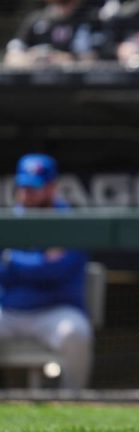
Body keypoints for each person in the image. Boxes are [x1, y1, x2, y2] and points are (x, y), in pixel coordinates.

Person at [0, 154, 91, 390]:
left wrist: (13, 260)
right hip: (9, 312)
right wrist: (40, 262)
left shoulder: (71, 221)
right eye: (23, 187)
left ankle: (72, 403)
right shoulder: (10, 218)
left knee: (76, 333)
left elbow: (58, 270)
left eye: (34, 187)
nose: (26, 194)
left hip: (55, 313)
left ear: (52, 187)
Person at [4, 0, 102, 67]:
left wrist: (62, 59)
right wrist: (34, 58)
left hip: (73, 86)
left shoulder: (87, 20)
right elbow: (11, 57)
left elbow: (92, 59)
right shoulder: (35, 19)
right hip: (35, 86)